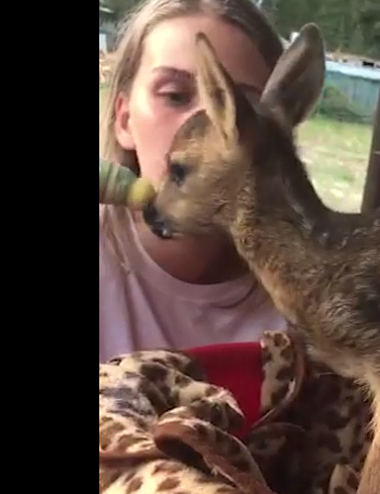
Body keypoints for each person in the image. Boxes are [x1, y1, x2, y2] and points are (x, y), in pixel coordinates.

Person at [99, 0, 289, 362]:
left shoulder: (308, 308)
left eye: (237, 110)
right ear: (124, 121)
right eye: (175, 96)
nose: (205, 131)